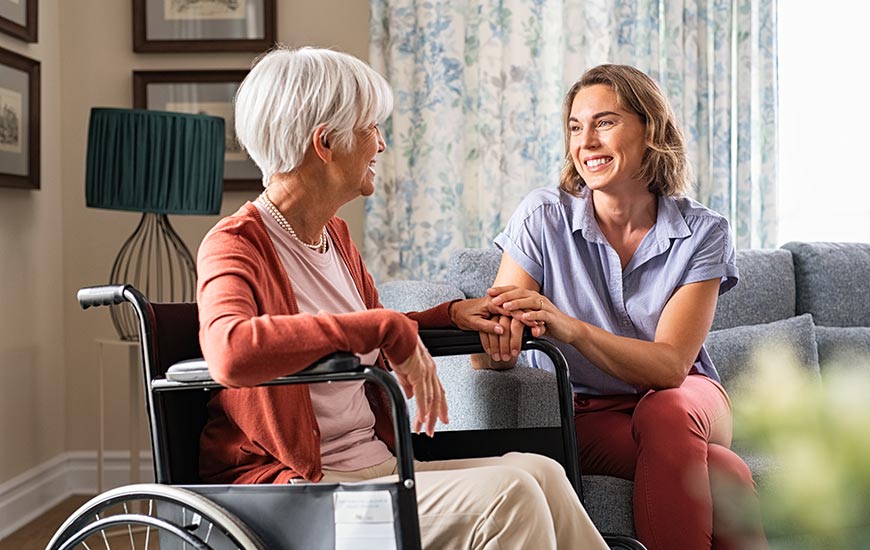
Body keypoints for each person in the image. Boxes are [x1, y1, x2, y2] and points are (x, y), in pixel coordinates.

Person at [195, 46, 609, 549]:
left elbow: (361, 329)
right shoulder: (236, 244)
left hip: (373, 469)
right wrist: (384, 326)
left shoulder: (335, 239)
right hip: (300, 494)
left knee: (541, 472)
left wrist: (453, 316)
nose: (382, 143)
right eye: (371, 128)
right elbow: (230, 351)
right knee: (510, 495)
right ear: (325, 143)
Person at [476, 64, 768, 550]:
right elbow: (487, 348)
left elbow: (671, 366)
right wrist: (499, 344)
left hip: (689, 400)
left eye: (605, 122)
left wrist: (571, 329)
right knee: (725, 471)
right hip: (587, 412)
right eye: (575, 127)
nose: (585, 141)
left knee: (667, 410)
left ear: (649, 129)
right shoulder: (542, 217)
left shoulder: (703, 233)